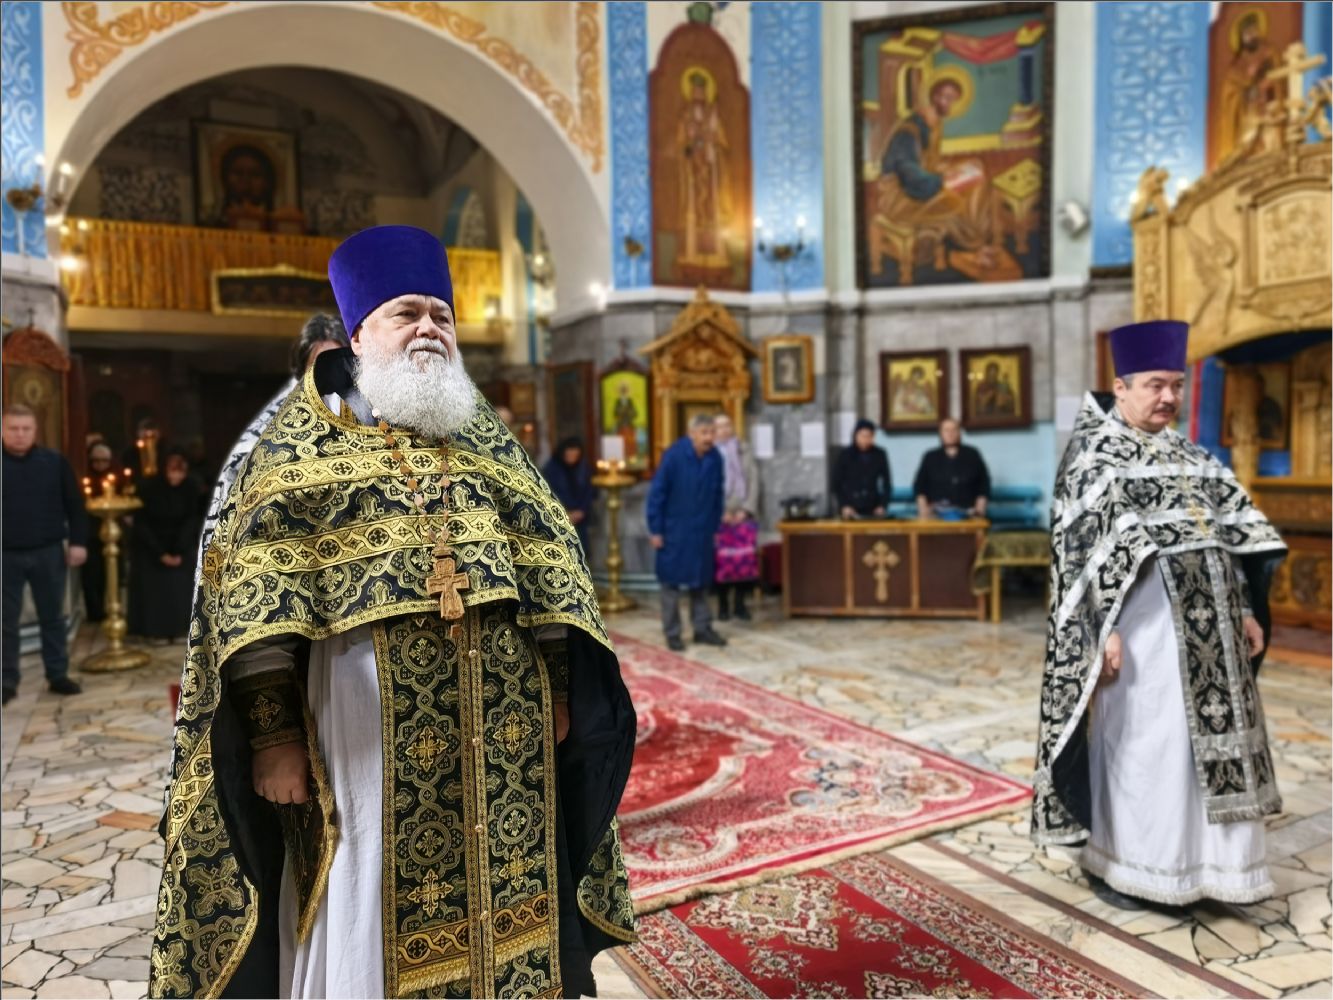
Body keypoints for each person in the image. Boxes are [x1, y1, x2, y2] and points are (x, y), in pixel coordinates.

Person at [151, 226, 636, 1000]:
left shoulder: (491, 446)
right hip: (362, 732)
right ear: (358, 335)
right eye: (407, 312)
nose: (428, 329)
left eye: (442, 315)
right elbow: (253, 615)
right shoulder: (296, 450)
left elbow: (550, 577)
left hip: (506, 733)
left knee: (511, 885)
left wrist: (556, 687)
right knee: (369, 883)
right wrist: (273, 737)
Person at [1032, 320, 1286, 908]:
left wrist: (1245, 608)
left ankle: (1212, 872)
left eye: (1176, 385)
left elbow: (1228, 538)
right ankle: (1130, 868)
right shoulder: (1094, 458)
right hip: (1144, 637)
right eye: (1155, 385)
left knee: (1203, 755)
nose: (1169, 397)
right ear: (1121, 387)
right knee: (1149, 749)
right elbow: (1077, 557)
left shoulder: (1191, 455)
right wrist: (1102, 631)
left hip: (1214, 641)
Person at [194, 313, 348, 593]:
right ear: (302, 371)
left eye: (337, 360)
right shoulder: (269, 429)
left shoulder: (370, 415)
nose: (330, 373)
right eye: (318, 364)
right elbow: (233, 509)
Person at [2, 404, 88, 704]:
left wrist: (78, 542)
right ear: (2, 430)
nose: (20, 434)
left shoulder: (54, 462)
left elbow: (75, 505)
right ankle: (6, 680)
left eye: (26, 429)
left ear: (35, 431)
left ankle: (57, 674)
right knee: (4, 621)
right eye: (13, 428)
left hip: (48, 551)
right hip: (5, 555)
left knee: (53, 617)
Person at [647, 413, 726, 651]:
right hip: (674, 531)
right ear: (692, 434)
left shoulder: (715, 458)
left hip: (702, 531)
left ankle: (702, 628)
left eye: (712, 432)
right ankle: (672, 633)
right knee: (671, 585)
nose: (709, 437)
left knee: (701, 583)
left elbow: (718, 495)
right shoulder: (673, 456)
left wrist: (715, 527)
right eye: (704, 433)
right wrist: (655, 529)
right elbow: (657, 494)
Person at [127, 450, 202, 643]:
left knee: (180, 589)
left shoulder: (190, 489)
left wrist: (179, 550)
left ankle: (180, 629)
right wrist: (160, 553)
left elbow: (191, 520)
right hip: (152, 546)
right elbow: (142, 523)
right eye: (172, 472)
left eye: (180, 472)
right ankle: (154, 631)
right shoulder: (149, 489)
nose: (175, 477)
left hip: (180, 546)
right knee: (154, 590)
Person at [712, 413, 760, 621]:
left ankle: (740, 604)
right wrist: (719, 512)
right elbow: (708, 485)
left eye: (727, 425)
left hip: (742, 512)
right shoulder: (710, 452)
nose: (724, 430)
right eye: (719, 426)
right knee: (722, 562)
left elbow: (754, 480)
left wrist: (746, 509)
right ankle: (723, 604)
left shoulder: (744, 449)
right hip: (720, 515)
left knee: (743, 561)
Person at [913, 418, 990, 519]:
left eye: (954, 430)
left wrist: (979, 512)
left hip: (968, 512)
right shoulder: (930, 456)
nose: (950, 434)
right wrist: (924, 511)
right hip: (936, 514)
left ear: (959, 433)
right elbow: (919, 487)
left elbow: (984, 485)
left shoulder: (973, 454)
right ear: (940, 433)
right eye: (946, 430)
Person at [542, 436, 597, 553]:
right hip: (558, 517)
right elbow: (548, 493)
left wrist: (581, 511)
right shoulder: (551, 469)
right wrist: (565, 513)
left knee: (581, 551)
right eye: (569, 455)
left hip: (580, 518)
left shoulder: (584, 468)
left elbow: (589, 491)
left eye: (575, 455)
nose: (572, 458)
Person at [81, 442, 115, 622]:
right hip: (90, 534)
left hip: (111, 533)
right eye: (96, 461)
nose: (100, 465)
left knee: (108, 574)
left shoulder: (115, 479)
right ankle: (94, 612)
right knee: (91, 575)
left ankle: (111, 608)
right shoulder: (85, 480)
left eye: (104, 461)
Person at [833, 419, 891, 519]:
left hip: (873, 507)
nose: (865, 439)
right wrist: (844, 505)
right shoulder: (845, 454)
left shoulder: (880, 454)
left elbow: (887, 483)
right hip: (850, 506)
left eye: (869, 436)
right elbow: (836, 483)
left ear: (873, 437)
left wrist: (882, 505)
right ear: (855, 435)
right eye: (862, 436)